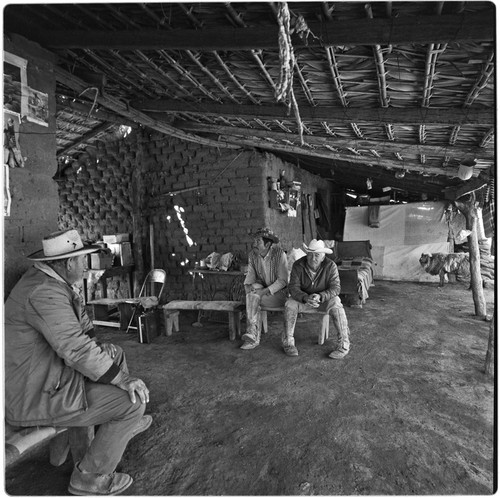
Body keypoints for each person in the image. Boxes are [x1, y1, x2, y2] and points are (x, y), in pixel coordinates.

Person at [4, 229, 152, 495]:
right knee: (132, 403)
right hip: (36, 393)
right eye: (82, 260)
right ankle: (90, 477)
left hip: (47, 374)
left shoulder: (53, 283)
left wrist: (102, 353)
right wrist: (122, 379)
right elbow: (75, 349)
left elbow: (82, 332)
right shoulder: (44, 293)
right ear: (68, 263)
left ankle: (116, 430)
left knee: (113, 353)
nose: (86, 266)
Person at [284, 239, 351, 359]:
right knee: (290, 304)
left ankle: (343, 345)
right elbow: (293, 288)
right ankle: (288, 343)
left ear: (323, 256)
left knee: (336, 302)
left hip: (323, 301)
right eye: (310, 254)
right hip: (304, 300)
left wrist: (320, 296)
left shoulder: (330, 266)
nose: (312, 258)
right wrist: (305, 297)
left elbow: (336, 288)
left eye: (317, 255)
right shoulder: (298, 265)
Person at [240, 227, 289, 350]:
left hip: (280, 294)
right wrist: (248, 288)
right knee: (252, 292)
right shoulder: (253, 255)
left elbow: (283, 281)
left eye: (258, 241)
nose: (254, 244)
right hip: (262, 291)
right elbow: (250, 275)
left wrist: (262, 292)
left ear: (267, 244)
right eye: (254, 241)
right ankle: (252, 334)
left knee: (253, 298)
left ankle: (253, 336)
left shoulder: (279, 254)